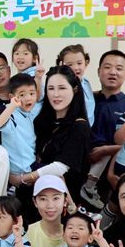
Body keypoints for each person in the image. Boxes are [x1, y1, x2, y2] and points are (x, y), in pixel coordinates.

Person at [22, 66, 92, 211]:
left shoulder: (79, 126)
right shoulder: (41, 121)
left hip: (61, 205)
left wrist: (26, 178)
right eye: (51, 88)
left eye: (62, 88)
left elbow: (61, 167)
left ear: (75, 90)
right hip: (33, 199)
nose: (55, 94)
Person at [81, 50, 125, 210]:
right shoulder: (86, 100)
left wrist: (106, 150)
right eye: (107, 67)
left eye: (119, 68)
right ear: (99, 71)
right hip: (81, 170)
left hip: (113, 175)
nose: (113, 72)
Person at [0, 73, 40, 190]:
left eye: (32, 93)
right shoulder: (11, 114)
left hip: (31, 165)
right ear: (12, 97)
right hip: (19, 171)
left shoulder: (31, 112)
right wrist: (12, 106)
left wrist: (38, 78)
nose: (28, 98)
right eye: (22, 95)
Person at [56, 45, 96, 128]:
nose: (76, 68)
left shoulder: (86, 82)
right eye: (70, 64)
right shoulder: (62, 86)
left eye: (79, 63)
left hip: (87, 129)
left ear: (86, 63)